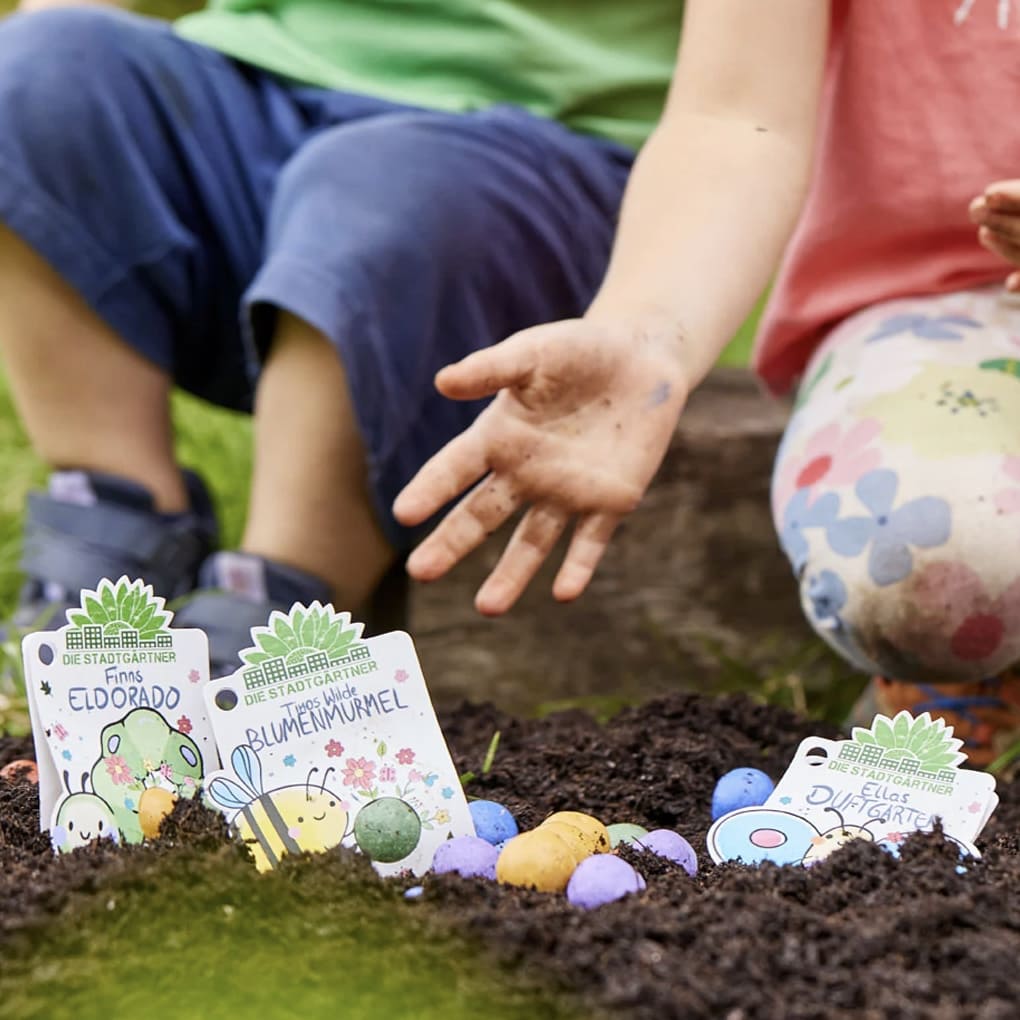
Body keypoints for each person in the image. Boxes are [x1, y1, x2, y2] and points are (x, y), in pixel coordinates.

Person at [394, 0, 1020, 765]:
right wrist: (645, 330)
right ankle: (963, 675)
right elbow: (734, 118)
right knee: (922, 560)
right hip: (942, 314)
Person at [0, 0, 679, 673]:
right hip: (258, 84)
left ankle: (278, 622)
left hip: (532, 150)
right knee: (40, 65)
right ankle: (114, 547)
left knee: (374, 186)